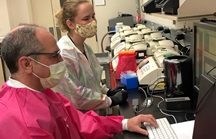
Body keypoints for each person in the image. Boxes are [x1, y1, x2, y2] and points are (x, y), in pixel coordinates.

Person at [0, 24, 158, 139]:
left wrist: (124, 123)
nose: (61, 60)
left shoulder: (42, 91)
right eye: (54, 55)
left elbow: (79, 122)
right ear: (27, 64)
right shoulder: (25, 125)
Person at [53, 0, 127, 114]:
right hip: (80, 122)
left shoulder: (85, 48)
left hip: (94, 116)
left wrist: (107, 92)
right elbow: (76, 96)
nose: (93, 21)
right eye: (86, 18)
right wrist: (111, 100)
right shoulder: (64, 54)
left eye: (93, 16)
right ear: (70, 24)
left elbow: (91, 82)